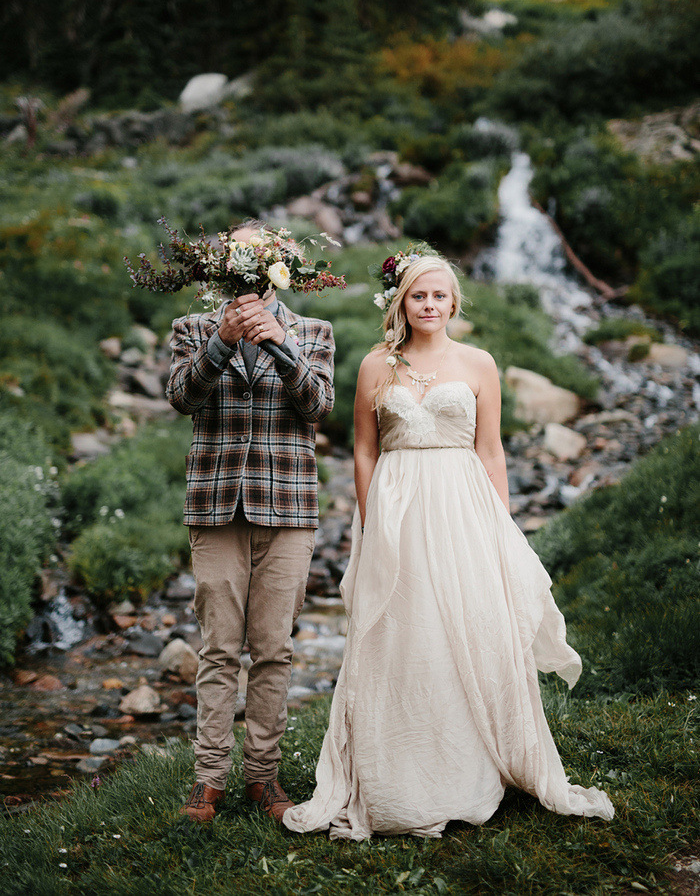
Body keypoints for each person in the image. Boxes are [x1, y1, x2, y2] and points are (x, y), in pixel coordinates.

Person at [283, 253, 613, 839]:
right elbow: (363, 449)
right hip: (399, 506)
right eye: (418, 296)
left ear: (453, 303)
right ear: (401, 303)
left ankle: (473, 766)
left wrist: (501, 526)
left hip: (463, 507)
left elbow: (491, 451)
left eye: (438, 296)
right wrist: (371, 516)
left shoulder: (479, 363)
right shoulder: (375, 366)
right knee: (407, 629)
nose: (429, 305)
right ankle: (401, 774)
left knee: (469, 625)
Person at [166, 225, 335, 824]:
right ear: (223, 267)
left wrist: (283, 346)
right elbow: (182, 399)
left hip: (287, 507)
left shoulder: (314, 332)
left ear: (278, 265)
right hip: (215, 504)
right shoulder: (193, 328)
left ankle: (263, 778)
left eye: (260, 254)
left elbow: (318, 407)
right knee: (217, 649)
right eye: (239, 253)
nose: (249, 265)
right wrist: (220, 342)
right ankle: (208, 781)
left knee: (272, 649)